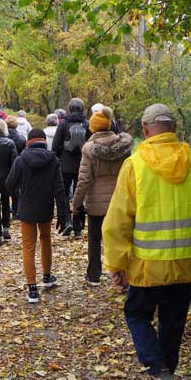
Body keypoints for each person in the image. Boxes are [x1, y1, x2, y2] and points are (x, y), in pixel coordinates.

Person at [102, 103, 191, 380]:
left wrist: (116, 263)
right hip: (186, 264)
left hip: (147, 265)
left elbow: (117, 221)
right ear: (173, 129)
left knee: (136, 314)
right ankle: (166, 376)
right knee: (173, 321)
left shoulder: (135, 165)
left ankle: (158, 373)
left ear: (145, 130)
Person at [71, 106, 132, 285]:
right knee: (121, 238)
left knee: (95, 239)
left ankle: (94, 275)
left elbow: (84, 180)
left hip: (97, 203)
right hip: (120, 200)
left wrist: (76, 204)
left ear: (93, 128)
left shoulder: (89, 148)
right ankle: (123, 275)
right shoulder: (124, 147)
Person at [6, 128, 68, 304]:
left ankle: (32, 288)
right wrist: (63, 213)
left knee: (28, 246)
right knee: (46, 239)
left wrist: (20, 194)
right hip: (45, 206)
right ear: (44, 141)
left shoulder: (21, 160)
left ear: (28, 142)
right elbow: (59, 188)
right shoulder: (53, 160)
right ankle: (47, 277)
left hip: (27, 207)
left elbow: (10, 184)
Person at [51, 97, 90, 236]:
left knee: (63, 194)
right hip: (83, 164)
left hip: (65, 165)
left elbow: (55, 145)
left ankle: (66, 221)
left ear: (70, 108)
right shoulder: (88, 124)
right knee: (79, 194)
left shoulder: (63, 124)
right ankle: (78, 225)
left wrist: (55, 160)